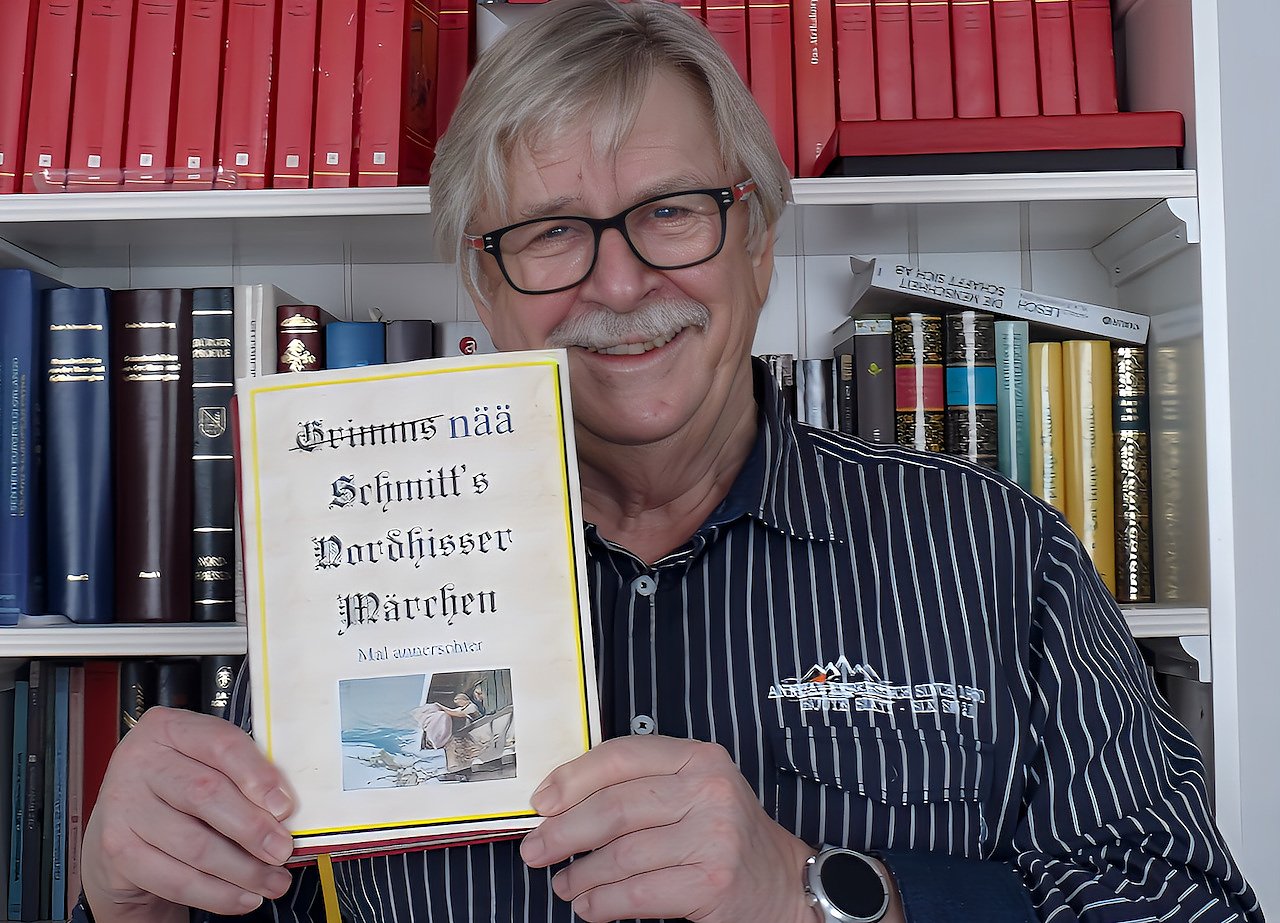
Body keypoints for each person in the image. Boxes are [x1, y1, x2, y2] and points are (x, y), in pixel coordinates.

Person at [78, 1, 1263, 922]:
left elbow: (1184, 903)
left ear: (757, 238)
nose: (619, 280)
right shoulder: (349, 576)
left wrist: (814, 890)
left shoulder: (996, 552)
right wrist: (135, 901)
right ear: (484, 288)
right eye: (551, 231)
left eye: (671, 210)